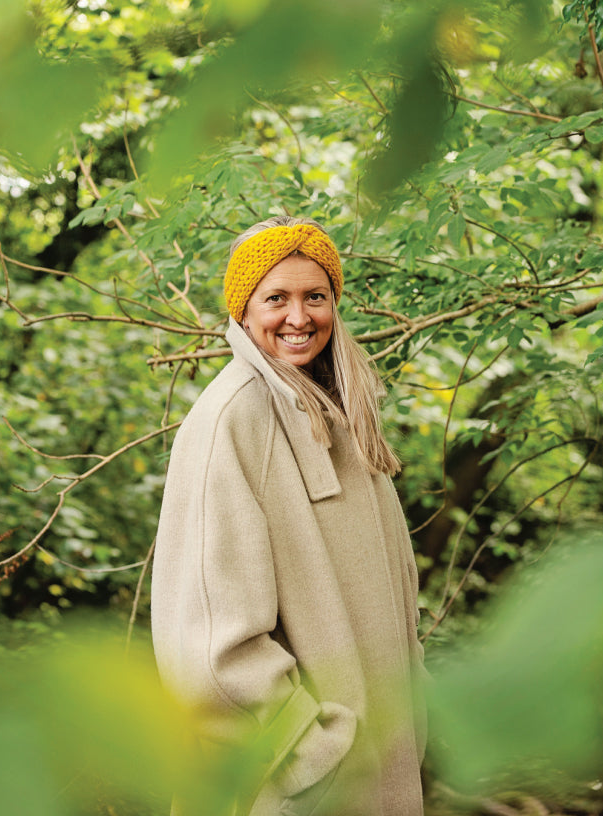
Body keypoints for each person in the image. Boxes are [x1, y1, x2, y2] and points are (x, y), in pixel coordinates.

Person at [151, 217, 427, 816]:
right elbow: (212, 649)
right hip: (293, 791)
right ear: (243, 311)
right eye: (276, 298)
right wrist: (311, 750)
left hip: (376, 767)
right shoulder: (235, 420)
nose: (298, 317)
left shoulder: (342, 412)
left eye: (315, 296)